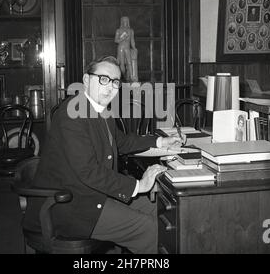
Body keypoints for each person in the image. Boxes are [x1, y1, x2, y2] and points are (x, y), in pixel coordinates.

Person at [24, 56, 184, 254]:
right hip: (69, 205)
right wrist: (139, 185)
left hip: (94, 193)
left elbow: (121, 141)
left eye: (116, 82)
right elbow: (88, 171)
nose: (111, 87)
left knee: (159, 210)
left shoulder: (100, 109)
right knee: (149, 229)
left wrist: (160, 141)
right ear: (86, 80)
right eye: (104, 79)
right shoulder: (70, 115)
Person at [115, 16, 137, 82]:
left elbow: (132, 41)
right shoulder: (118, 30)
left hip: (127, 48)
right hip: (120, 48)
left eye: (126, 21)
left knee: (129, 62)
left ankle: (131, 76)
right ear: (121, 22)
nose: (125, 22)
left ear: (128, 22)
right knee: (122, 63)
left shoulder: (131, 30)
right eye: (124, 21)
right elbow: (116, 40)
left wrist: (134, 48)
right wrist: (122, 38)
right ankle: (123, 77)